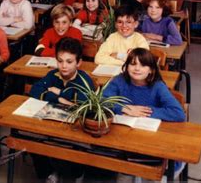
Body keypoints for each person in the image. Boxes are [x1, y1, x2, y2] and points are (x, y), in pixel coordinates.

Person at [29, 38, 94, 180]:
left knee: (67, 148)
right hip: (50, 123)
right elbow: (34, 91)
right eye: (60, 61)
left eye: (69, 62)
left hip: (74, 129)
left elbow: (81, 103)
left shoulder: (84, 80)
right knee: (33, 141)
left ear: (79, 62)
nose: (64, 66)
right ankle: (49, 173)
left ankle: (72, 174)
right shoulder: (53, 75)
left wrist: (58, 92)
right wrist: (59, 98)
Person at [103, 48, 185, 121]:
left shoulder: (158, 86)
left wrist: (143, 112)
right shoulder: (119, 80)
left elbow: (178, 113)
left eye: (143, 65)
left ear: (151, 70)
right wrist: (124, 108)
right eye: (133, 64)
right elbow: (102, 100)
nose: (137, 69)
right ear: (127, 66)